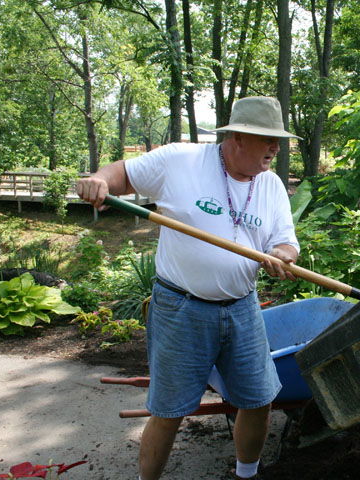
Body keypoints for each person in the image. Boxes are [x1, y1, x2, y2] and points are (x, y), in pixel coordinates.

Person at [76, 96, 301, 480]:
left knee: (259, 399)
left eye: (278, 140)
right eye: (267, 139)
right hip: (182, 308)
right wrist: (100, 180)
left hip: (242, 307)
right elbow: (123, 174)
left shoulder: (272, 185)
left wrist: (281, 255)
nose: (275, 148)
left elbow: (285, 241)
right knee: (169, 411)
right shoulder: (181, 160)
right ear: (238, 137)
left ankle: (246, 474)